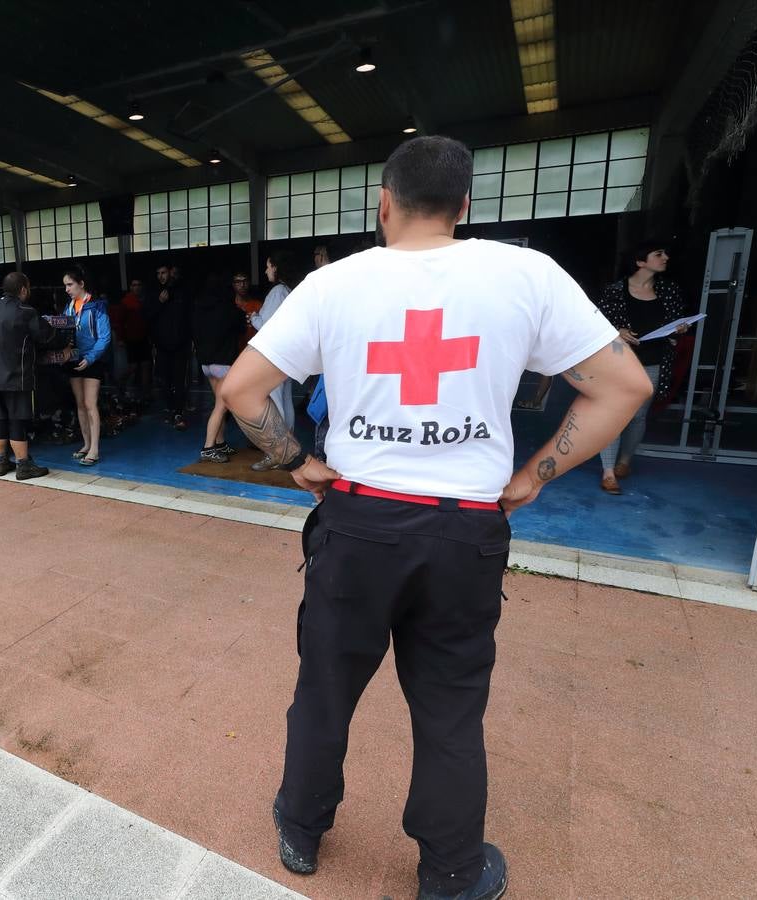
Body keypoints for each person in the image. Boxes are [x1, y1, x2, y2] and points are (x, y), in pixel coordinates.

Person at [220, 135, 652, 899]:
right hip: (465, 530)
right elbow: (625, 387)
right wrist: (534, 475)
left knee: (324, 684)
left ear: (382, 204)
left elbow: (244, 389)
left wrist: (299, 464)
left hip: (356, 523)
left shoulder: (334, 284)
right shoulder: (525, 274)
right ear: (464, 207)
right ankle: (451, 871)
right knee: (451, 704)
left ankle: (301, 825)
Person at [594, 241, 689, 494]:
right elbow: (593, 325)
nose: (665, 257)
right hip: (618, 362)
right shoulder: (614, 291)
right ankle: (608, 472)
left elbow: (675, 323)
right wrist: (616, 331)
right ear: (640, 262)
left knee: (638, 416)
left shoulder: (669, 291)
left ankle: (625, 461)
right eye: (658, 253)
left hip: (653, 361)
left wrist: (680, 328)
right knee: (614, 415)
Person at [0, 271, 55, 481]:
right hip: (16, 376)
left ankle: (1, 462)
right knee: (17, 419)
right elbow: (45, 336)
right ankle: (23, 465)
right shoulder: (25, 311)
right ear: (23, 289)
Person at [248, 250, 304, 470]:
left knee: (275, 404)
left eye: (269, 265)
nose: (266, 270)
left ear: (277, 267)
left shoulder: (277, 292)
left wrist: (254, 318)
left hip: (274, 356)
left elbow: (267, 327)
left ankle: (277, 453)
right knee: (286, 401)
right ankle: (288, 449)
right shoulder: (289, 290)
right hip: (288, 356)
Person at [192, 273, 245, 462]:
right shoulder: (229, 309)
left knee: (218, 404)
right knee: (222, 407)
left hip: (206, 364)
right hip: (223, 363)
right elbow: (241, 329)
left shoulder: (199, 308)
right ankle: (208, 447)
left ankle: (220, 442)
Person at [63, 266, 111, 465]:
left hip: (92, 361)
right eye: (65, 285)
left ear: (81, 284)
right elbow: (64, 333)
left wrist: (91, 358)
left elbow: (105, 338)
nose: (67, 289)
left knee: (90, 404)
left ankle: (95, 449)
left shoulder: (97, 306)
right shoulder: (68, 307)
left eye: (70, 284)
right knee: (80, 404)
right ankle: (86, 443)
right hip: (74, 360)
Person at [145, 262, 193, 430]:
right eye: (158, 273)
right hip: (162, 346)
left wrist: (190, 341)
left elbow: (188, 318)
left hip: (180, 345)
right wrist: (159, 302)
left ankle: (178, 412)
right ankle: (172, 408)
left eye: (163, 272)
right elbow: (147, 317)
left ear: (170, 273)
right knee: (163, 380)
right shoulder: (152, 294)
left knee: (179, 381)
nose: (161, 276)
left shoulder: (182, 292)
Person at [232, 272, 262, 350]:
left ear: (249, 283)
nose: (242, 285)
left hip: (253, 349)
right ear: (233, 284)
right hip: (234, 351)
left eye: (245, 281)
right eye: (238, 282)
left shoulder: (258, 305)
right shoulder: (229, 307)